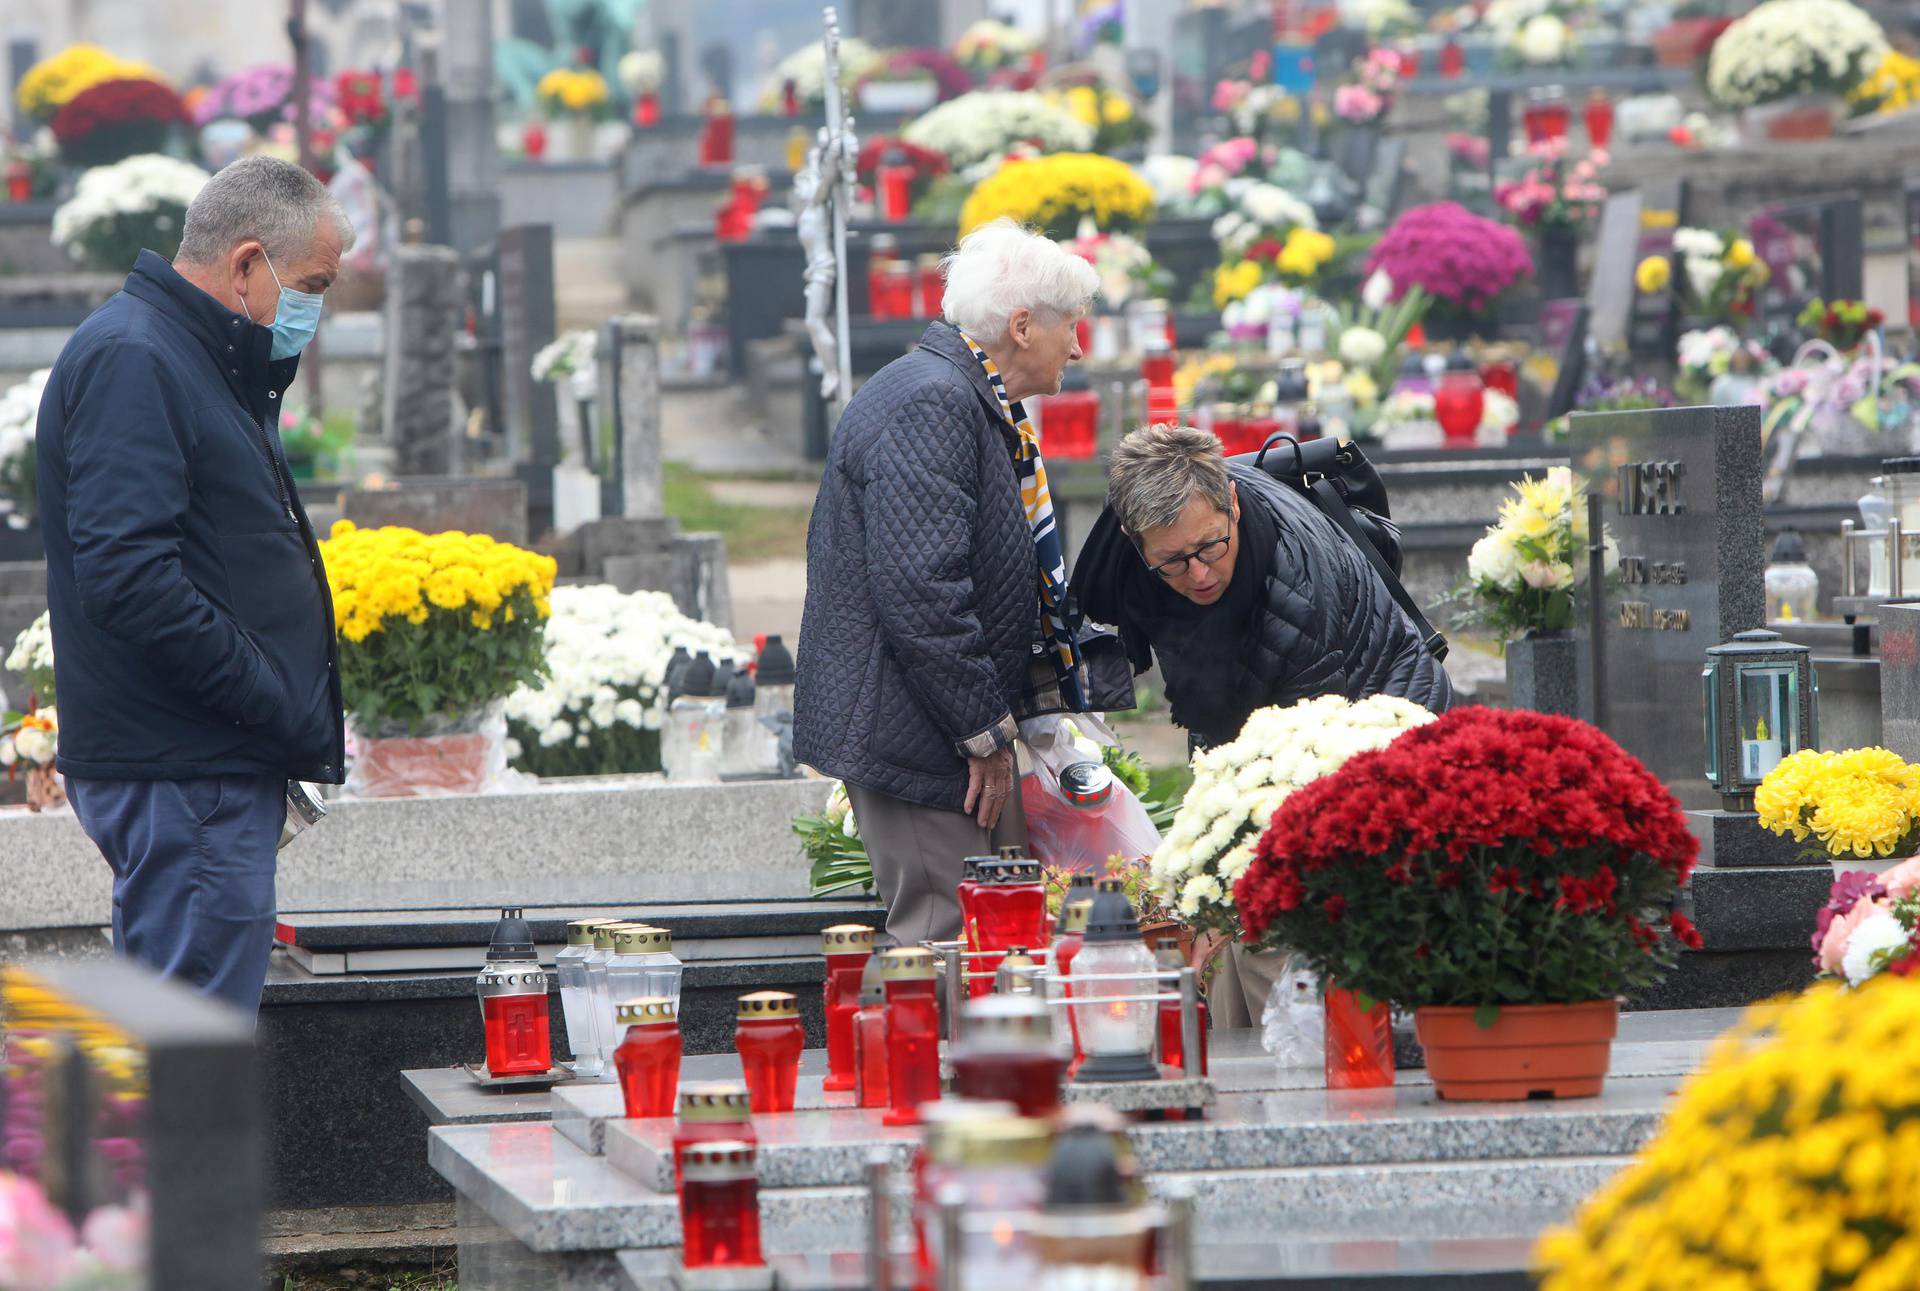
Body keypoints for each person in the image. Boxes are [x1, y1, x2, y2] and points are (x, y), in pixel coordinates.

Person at [36, 156, 352, 1014]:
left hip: (199, 764)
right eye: (312, 284)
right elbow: (129, 575)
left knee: (178, 1050)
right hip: (191, 765)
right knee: (189, 1065)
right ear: (248, 264)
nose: (314, 310)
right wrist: (263, 692)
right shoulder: (138, 357)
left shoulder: (192, 353)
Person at [794, 218, 1099, 944]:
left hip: (931, 727)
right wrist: (983, 733)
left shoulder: (966, 397)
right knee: (944, 938)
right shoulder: (934, 401)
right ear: (1022, 326)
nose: (1079, 345)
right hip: (919, 735)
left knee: (995, 931)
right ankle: (914, 1064)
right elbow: (923, 591)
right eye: (1072, 326)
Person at [1074, 424, 1452, 751]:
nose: (1199, 574)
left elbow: (1299, 758)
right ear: (1131, 536)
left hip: (1390, 718)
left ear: (1232, 502)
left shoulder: (1296, 594)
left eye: (1210, 547)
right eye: (1172, 561)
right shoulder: (1137, 555)